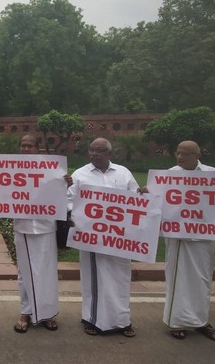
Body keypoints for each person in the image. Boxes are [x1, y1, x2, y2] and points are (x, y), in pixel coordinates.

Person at [67, 138, 138, 338]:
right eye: (91, 150)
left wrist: (143, 196)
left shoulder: (124, 173)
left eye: (99, 150)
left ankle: (122, 320)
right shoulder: (80, 174)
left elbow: (136, 200)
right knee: (93, 278)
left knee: (121, 278)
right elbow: (69, 200)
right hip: (91, 236)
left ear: (110, 154)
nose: (94, 154)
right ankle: (91, 319)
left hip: (119, 238)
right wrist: (75, 217)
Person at [162, 140, 215, 342]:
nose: (180, 157)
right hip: (179, 237)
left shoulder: (211, 173)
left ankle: (201, 321)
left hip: (204, 237)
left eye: (185, 154)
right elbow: (159, 200)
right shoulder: (170, 174)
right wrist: (148, 192)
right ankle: (176, 321)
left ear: (197, 155)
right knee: (178, 277)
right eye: (177, 153)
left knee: (202, 278)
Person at [13, 135, 65, 333]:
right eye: (23, 145)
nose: (26, 149)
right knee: (24, 272)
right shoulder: (9, 170)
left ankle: (47, 314)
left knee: (47, 271)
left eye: (30, 145)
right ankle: (25, 312)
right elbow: (1, 192)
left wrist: (65, 183)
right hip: (23, 226)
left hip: (46, 226)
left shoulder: (51, 169)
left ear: (37, 148)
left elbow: (61, 195)